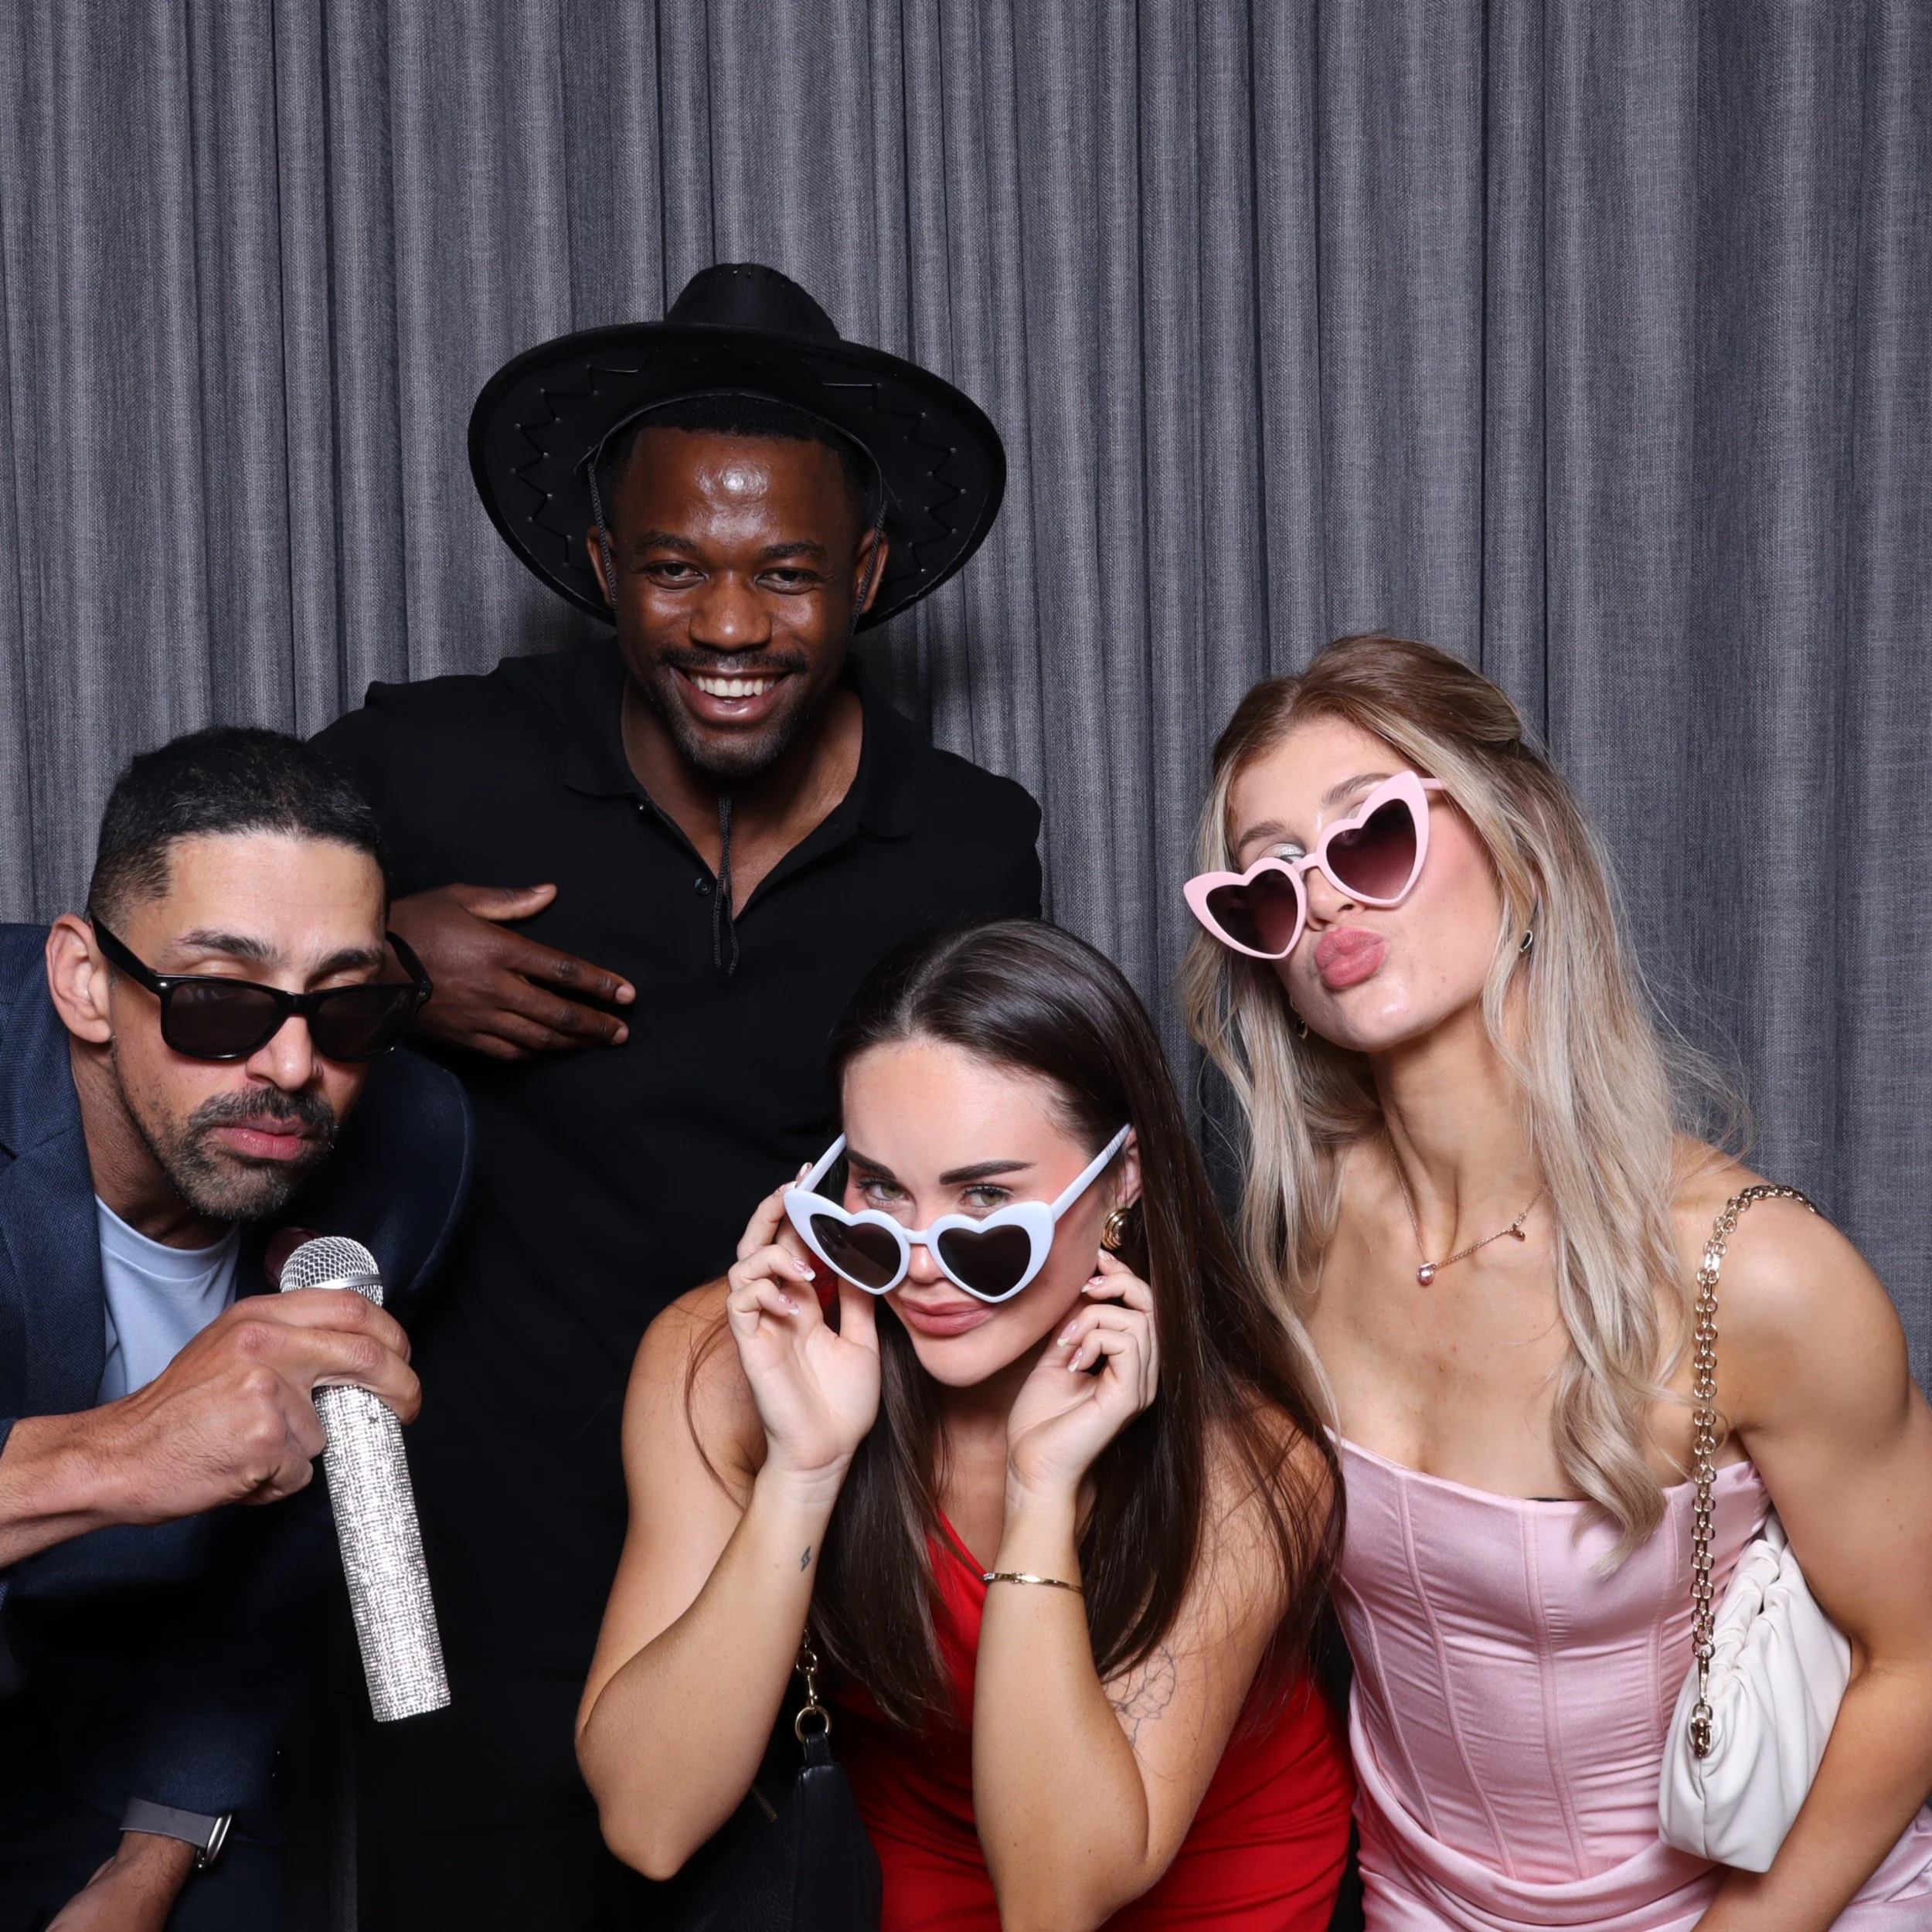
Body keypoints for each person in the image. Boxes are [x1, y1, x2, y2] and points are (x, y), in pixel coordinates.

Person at [314, 262, 1041, 1925]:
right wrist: (383, 960)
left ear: (861, 575)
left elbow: (1021, 1181)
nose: (728, 624)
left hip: (809, 1599)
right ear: (599, 570)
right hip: (473, 1593)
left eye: (786, 572)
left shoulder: (970, 837)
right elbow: (166, 958)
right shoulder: (432, 767)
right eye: (674, 568)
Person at [1179, 633, 1932, 1930]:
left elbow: (1916, 1663)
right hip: (1419, 1900)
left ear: (1519, 848)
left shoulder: (1753, 1274)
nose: (1329, 906)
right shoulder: (1292, 1247)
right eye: (1271, 884)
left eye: (1371, 839)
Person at [580, 919, 1354, 1931]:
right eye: (877, 1192)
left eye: (987, 1202)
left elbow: (1056, 1898)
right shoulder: (733, 1359)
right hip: (906, 1882)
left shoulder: (1244, 1460)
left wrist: (1043, 1497)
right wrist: (804, 1471)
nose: (923, 1260)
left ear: (1122, 1181)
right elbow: (649, 1821)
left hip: (1188, 1894)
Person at [0, 727, 470, 1932]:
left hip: (145, 1722)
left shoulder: (409, 1142)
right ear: (82, 982)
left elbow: (282, 1561)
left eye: (349, 1005)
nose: (296, 1064)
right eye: (217, 1001)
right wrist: (121, 1452)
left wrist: (149, 1861)